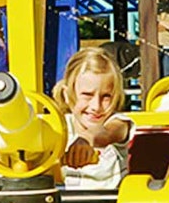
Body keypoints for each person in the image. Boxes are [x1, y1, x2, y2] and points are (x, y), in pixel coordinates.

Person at [52, 47, 133, 189]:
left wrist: (86, 139)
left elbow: (105, 133)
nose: (96, 106)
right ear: (66, 94)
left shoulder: (118, 123)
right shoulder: (59, 128)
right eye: (87, 95)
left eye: (106, 96)